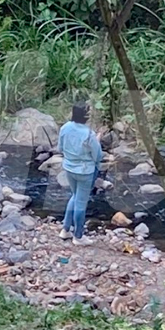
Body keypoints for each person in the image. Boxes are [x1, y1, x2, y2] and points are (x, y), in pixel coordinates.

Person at [58, 101, 102, 242]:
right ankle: (78, 236)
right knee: (81, 203)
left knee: (75, 196)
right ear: (86, 116)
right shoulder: (89, 134)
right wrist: (98, 141)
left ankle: (65, 229)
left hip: (69, 168)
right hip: (85, 172)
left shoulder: (65, 128)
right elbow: (98, 156)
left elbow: (60, 148)